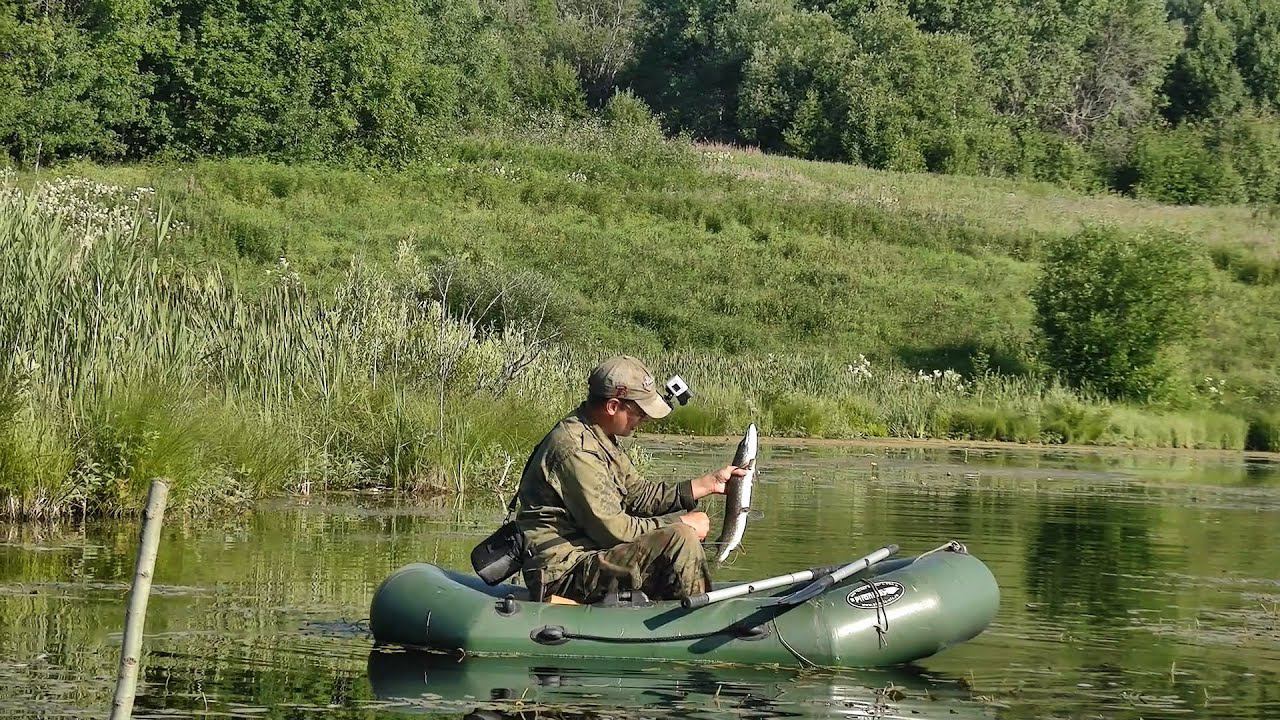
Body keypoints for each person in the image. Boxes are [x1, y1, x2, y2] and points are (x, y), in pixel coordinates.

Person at [515, 355, 748, 604]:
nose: (644, 419)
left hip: (593, 555)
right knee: (680, 538)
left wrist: (706, 484)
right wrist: (682, 523)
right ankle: (699, 624)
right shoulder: (576, 450)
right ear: (613, 406)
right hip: (564, 571)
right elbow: (615, 531)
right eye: (639, 412)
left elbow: (638, 494)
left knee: (678, 536)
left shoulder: (600, 434)